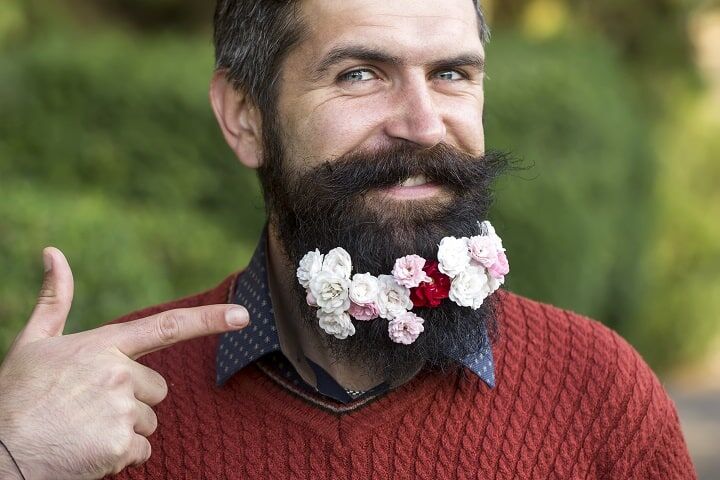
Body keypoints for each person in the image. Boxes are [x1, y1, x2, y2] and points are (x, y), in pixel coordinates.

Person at [0, 0, 697, 478]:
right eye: (359, 74)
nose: (423, 125)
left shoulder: (597, 391)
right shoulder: (108, 417)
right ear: (245, 117)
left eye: (451, 74)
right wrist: (13, 457)